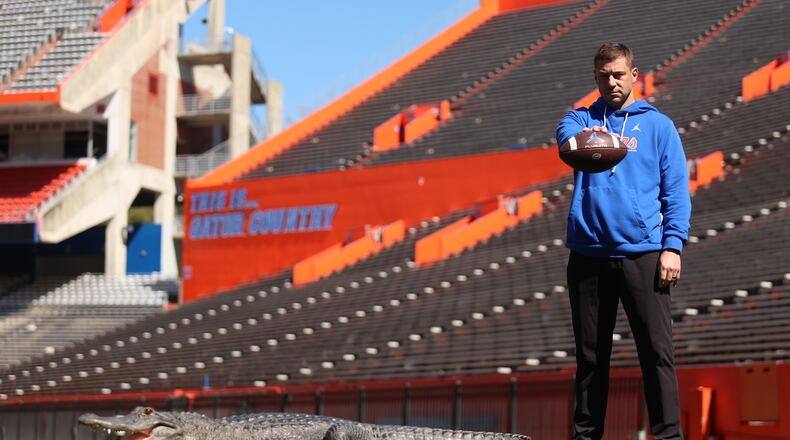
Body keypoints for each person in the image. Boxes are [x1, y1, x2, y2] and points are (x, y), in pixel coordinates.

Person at [556, 42, 691, 440]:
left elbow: (676, 193)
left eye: (618, 74)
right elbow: (567, 140)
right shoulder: (578, 118)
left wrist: (673, 246)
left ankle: (668, 437)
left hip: (644, 254)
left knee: (656, 356)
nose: (611, 82)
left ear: (634, 75)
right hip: (588, 255)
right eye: (603, 76)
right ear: (595, 78)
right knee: (591, 359)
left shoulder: (659, 127)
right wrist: (589, 138)